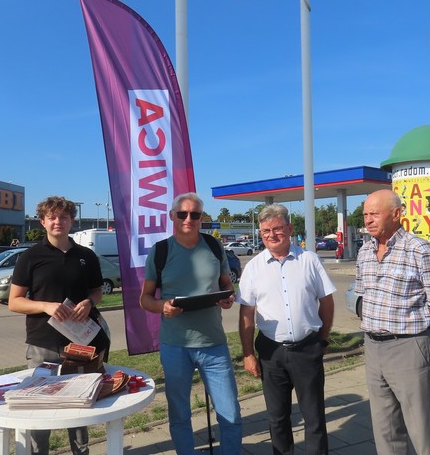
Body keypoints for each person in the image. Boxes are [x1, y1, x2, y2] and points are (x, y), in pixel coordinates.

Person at [139, 192, 242, 455]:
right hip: (175, 345)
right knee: (180, 415)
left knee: (230, 413)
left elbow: (226, 285)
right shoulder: (161, 251)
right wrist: (162, 306)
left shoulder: (214, 246)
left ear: (201, 217)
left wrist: (228, 298)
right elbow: (145, 298)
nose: (188, 219)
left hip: (214, 344)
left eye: (195, 214)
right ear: (172, 216)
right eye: (182, 214)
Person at [354, 189, 430, 455]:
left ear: (397, 214)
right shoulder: (365, 251)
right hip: (373, 347)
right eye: (365, 214)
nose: (368, 220)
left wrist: (425, 336)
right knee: (385, 428)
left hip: (409, 348)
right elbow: (362, 295)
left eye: (374, 214)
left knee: (421, 429)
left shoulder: (420, 250)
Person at [9, 196, 110, 455]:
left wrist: (89, 302)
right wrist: (45, 306)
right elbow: (14, 301)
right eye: (52, 217)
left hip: (80, 344)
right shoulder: (30, 257)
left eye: (63, 217)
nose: (58, 222)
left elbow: (97, 291)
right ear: (42, 222)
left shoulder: (86, 255)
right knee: (40, 409)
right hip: (43, 344)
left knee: (79, 407)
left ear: (72, 221)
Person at [237, 203, 335, 455]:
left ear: (289, 229)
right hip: (271, 353)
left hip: (307, 348)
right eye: (266, 230)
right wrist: (248, 354)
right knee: (277, 418)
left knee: (314, 417)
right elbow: (246, 314)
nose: (272, 235)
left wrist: (322, 339)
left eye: (277, 228)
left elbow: (326, 302)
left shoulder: (309, 260)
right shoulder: (253, 268)